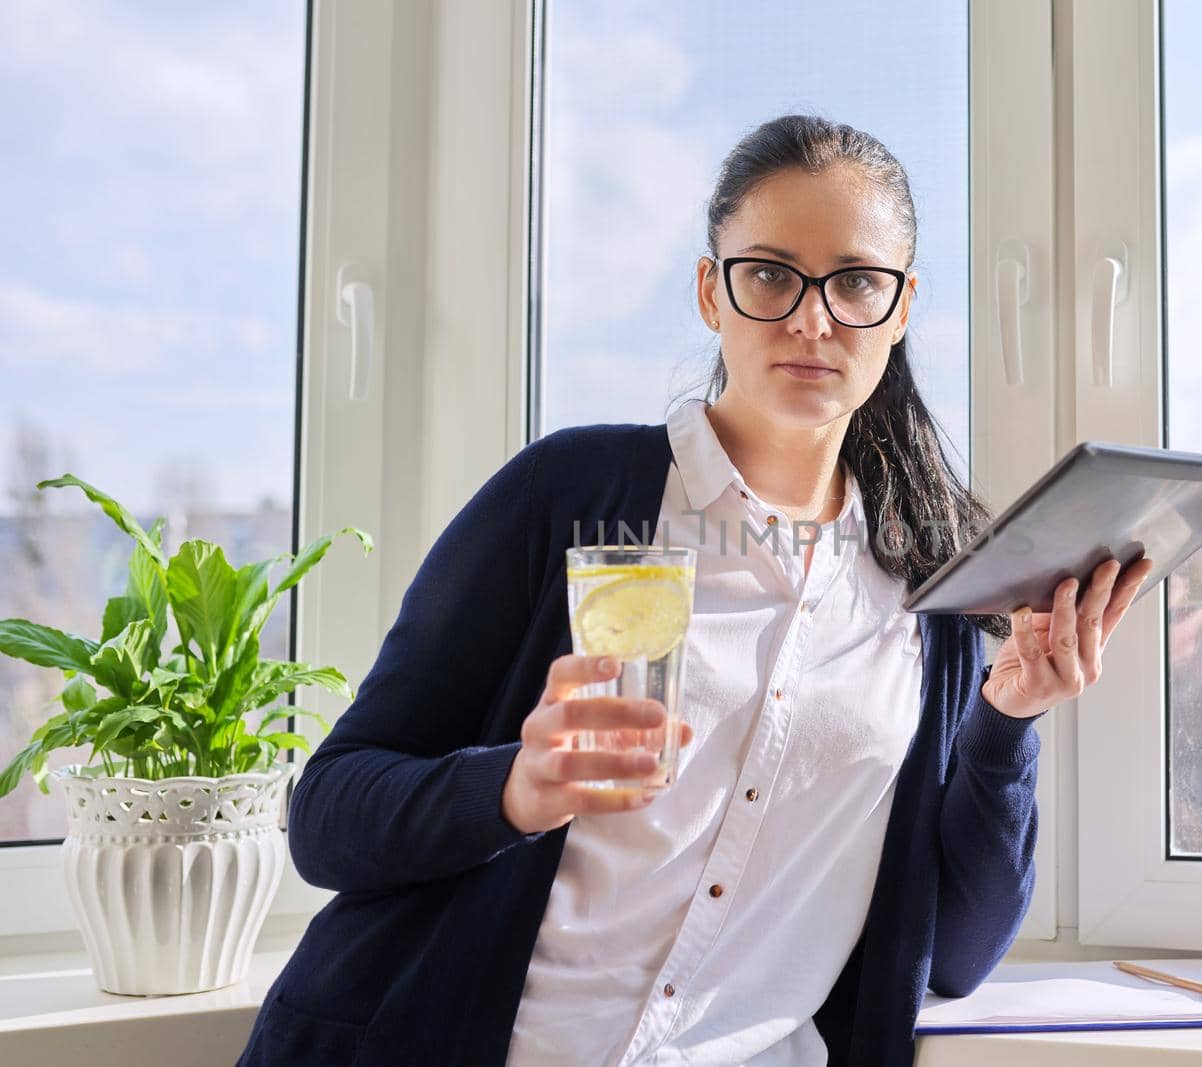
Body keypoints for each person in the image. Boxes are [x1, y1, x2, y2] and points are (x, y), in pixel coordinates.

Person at [237, 114, 1153, 1067]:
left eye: (855, 282)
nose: (813, 319)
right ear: (712, 292)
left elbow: (955, 955)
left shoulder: (932, 592)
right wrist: (512, 786)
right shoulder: (568, 497)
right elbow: (328, 816)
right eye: (769, 275)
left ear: (902, 305)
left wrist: (1004, 724)